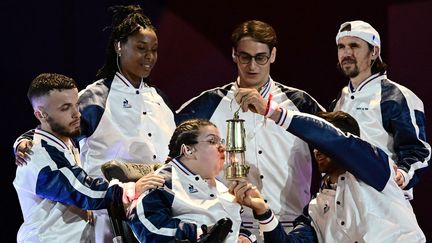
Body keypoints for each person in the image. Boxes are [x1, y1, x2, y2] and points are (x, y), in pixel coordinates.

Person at [13, 5, 176, 242]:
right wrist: (23, 140)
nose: (149, 56)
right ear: (119, 46)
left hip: (158, 209)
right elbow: (54, 126)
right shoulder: (95, 97)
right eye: (141, 48)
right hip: (111, 213)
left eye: (154, 50)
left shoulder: (159, 99)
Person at [175, 20, 325, 238]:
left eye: (260, 57)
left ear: (273, 55)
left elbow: (340, 144)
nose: (252, 66)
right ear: (234, 55)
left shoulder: (300, 104)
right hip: (230, 228)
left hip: (289, 227)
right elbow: (172, 156)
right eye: (245, 57)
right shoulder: (207, 105)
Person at [228, 94, 425, 242]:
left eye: (322, 144)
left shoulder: (375, 168)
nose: (317, 150)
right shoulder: (314, 209)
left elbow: (336, 141)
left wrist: (273, 111)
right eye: (314, 145)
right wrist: (263, 210)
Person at [13, 73, 164, 242]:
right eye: (65, 108)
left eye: (76, 104)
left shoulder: (62, 140)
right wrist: (131, 190)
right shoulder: (37, 156)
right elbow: (82, 190)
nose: (76, 113)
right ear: (41, 115)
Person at [330, 20, 430, 196]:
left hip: (384, 203)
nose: (346, 53)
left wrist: (403, 175)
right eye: (341, 46)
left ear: (374, 51)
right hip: (343, 202)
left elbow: (418, 150)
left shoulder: (397, 96)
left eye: (354, 46)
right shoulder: (340, 99)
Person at [127, 119, 256, 242]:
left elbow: (232, 226)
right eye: (212, 141)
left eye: (220, 141)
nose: (222, 148)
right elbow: (149, 226)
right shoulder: (163, 181)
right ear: (188, 150)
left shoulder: (221, 186)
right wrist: (198, 233)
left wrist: (245, 237)